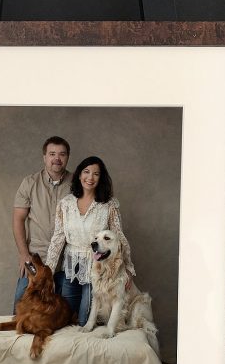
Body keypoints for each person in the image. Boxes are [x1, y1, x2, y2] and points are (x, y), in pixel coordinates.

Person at [46, 156, 135, 325]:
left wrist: (128, 268)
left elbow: (118, 237)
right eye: (86, 172)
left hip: (98, 268)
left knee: (84, 320)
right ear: (79, 175)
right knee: (64, 318)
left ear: (101, 178)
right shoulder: (65, 204)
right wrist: (48, 271)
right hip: (71, 266)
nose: (90, 177)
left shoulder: (109, 205)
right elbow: (58, 238)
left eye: (96, 174)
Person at [12, 136, 72, 312]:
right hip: (36, 260)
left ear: (67, 157)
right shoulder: (29, 183)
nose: (57, 158)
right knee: (21, 307)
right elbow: (18, 219)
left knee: (64, 314)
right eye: (52, 153)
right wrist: (24, 254)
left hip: (67, 261)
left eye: (62, 154)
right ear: (44, 157)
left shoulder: (77, 184)